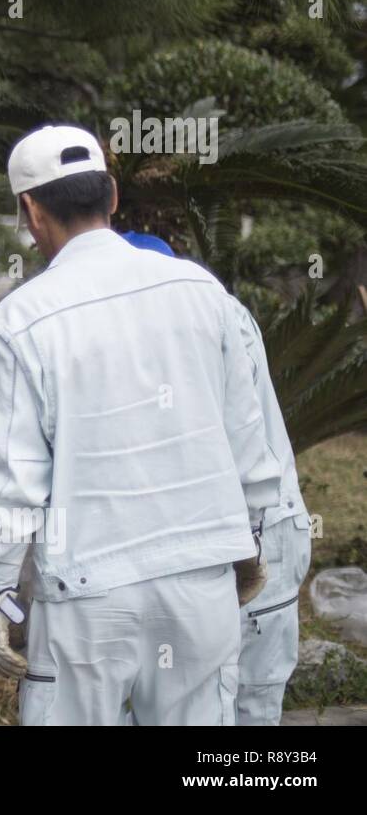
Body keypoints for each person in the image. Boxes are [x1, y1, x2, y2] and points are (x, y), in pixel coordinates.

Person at [0, 123, 282, 725]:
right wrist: (251, 535)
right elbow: (249, 435)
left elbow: (14, 478)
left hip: (87, 595)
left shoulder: (20, 320)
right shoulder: (201, 291)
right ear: (112, 195)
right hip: (202, 580)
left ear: (30, 211)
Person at [121, 233, 312, 724]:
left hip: (259, 532)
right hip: (218, 538)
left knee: (248, 701)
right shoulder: (171, 319)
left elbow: (233, 445)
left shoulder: (210, 317)